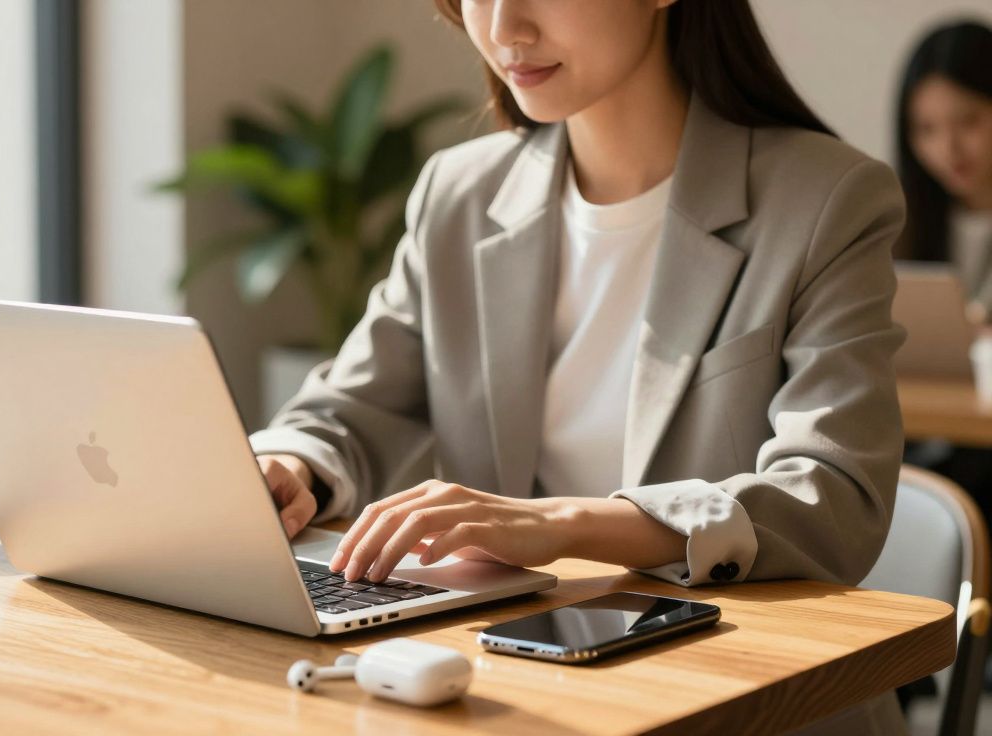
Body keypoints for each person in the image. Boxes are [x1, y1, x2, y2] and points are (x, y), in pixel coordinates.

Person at [250, 1, 906, 731]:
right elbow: (348, 405)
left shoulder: (825, 200)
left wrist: (562, 524)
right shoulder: (459, 194)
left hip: (749, 702)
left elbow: (836, 497)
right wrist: (290, 467)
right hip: (518, 694)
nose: (503, 29)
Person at [894, 21, 992, 527]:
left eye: (968, 120)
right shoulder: (902, 220)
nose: (948, 147)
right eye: (926, 130)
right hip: (923, 439)